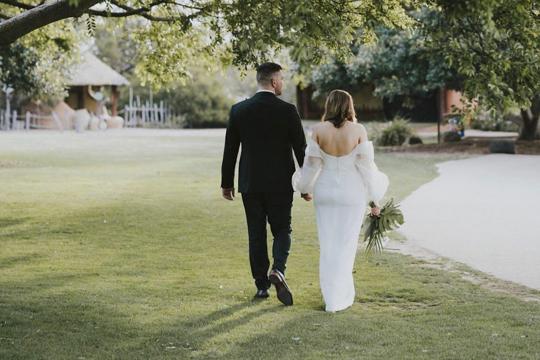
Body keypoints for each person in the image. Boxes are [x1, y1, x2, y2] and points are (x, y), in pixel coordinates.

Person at [292, 89, 389, 312]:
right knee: (346, 245)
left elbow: (311, 166)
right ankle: (339, 297)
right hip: (351, 193)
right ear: (349, 106)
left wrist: (305, 189)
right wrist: (374, 200)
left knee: (328, 244)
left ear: (329, 106)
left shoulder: (317, 130)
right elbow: (366, 168)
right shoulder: (358, 130)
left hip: (325, 193)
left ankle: (331, 297)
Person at [220, 62, 308, 305]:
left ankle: (261, 286)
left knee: (256, 233)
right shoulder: (288, 111)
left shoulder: (239, 110)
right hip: (280, 184)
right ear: (273, 82)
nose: (283, 83)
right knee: (282, 229)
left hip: (251, 183)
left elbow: (230, 150)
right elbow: (301, 151)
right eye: (281, 79)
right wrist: (307, 186)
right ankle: (278, 270)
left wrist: (227, 183)